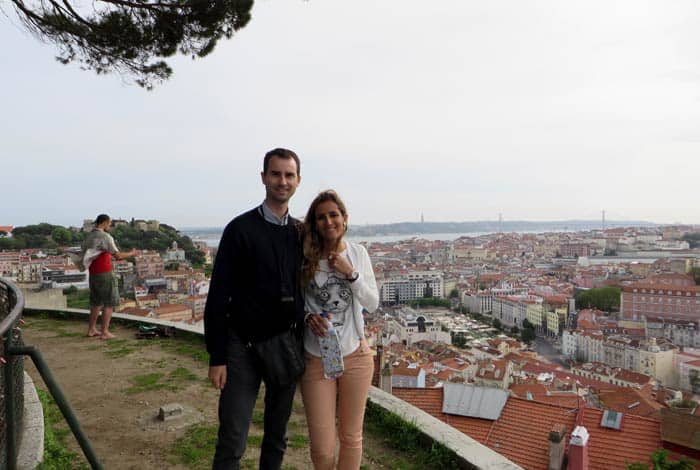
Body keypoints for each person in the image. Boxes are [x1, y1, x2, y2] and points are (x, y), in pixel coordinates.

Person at [204, 148, 305, 470]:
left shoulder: (301, 233)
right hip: (241, 346)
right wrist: (217, 356)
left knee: (277, 436)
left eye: (289, 175)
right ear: (263, 177)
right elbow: (218, 293)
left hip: (284, 344)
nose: (282, 181)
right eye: (276, 174)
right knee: (233, 436)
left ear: (298, 181)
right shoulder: (240, 229)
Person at [300, 190, 379, 470]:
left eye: (333, 215)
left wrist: (350, 273)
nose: (328, 221)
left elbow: (373, 302)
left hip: (356, 355)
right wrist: (308, 316)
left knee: (351, 437)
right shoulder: (304, 258)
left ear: (344, 219)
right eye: (321, 217)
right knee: (322, 447)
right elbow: (295, 302)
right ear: (314, 223)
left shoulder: (358, 253)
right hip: (316, 357)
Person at [81, 214, 137, 339]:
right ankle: (104, 332)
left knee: (96, 302)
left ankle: (91, 329)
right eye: (110, 223)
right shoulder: (105, 237)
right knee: (109, 303)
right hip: (105, 272)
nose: (110, 225)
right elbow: (118, 256)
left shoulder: (89, 236)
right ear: (105, 222)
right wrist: (132, 253)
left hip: (93, 272)